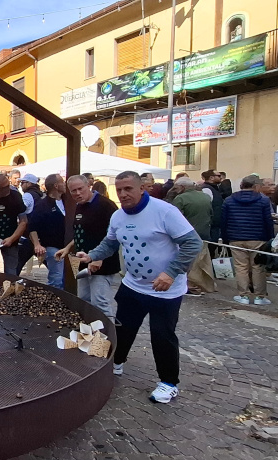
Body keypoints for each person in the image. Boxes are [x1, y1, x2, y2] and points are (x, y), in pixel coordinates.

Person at [77, 171, 202, 404]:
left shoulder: (164, 211)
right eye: (119, 190)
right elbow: (110, 243)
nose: (123, 194)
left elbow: (193, 243)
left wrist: (171, 272)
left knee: (162, 335)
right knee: (123, 329)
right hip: (133, 285)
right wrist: (92, 255)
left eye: (128, 189)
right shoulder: (118, 216)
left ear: (142, 188)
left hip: (165, 290)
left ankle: (168, 383)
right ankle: (115, 362)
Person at [56, 174, 120, 320]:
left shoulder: (106, 205)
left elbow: (114, 235)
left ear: (88, 186)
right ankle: (89, 331)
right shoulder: (80, 205)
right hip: (83, 262)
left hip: (102, 265)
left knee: (100, 302)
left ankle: (107, 332)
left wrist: (99, 258)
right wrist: (68, 248)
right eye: (73, 191)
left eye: (80, 189)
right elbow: (82, 232)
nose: (78, 193)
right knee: (84, 301)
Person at [221, 174, 275, 305]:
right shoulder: (263, 200)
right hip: (258, 237)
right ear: (256, 186)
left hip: (235, 237)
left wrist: (225, 237)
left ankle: (243, 295)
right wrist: (270, 238)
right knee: (258, 267)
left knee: (240, 267)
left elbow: (224, 220)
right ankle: (259, 297)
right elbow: (268, 221)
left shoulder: (229, 200)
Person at [171, 177, 213, 296]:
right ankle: (200, 285)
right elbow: (211, 214)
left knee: (188, 262)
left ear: (182, 187)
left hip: (186, 236)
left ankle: (190, 286)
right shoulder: (205, 197)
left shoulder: (180, 198)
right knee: (200, 262)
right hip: (204, 233)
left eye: (176, 188)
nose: (175, 190)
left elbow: (174, 219)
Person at [28, 174, 67, 289]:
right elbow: (32, 227)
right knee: (56, 278)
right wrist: (37, 244)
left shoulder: (68, 201)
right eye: (62, 182)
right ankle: (54, 297)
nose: (65, 184)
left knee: (67, 278)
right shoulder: (43, 205)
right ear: (56, 186)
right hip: (53, 246)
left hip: (68, 246)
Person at [200, 170, 225, 253]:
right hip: (211, 225)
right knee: (210, 247)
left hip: (215, 224)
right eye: (219, 175)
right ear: (211, 178)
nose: (221, 177)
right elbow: (206, 206)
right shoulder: (207, 189)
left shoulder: (214, 189)